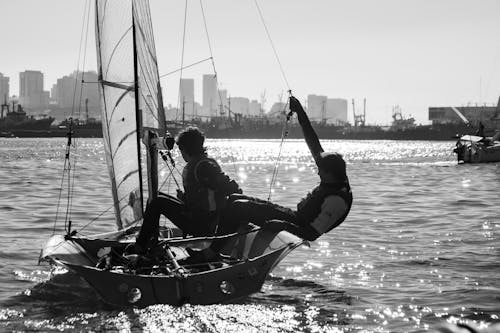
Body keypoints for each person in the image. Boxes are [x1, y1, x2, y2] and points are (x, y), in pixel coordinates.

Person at [191, 95, 353, 260]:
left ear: (330, 173)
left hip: (295, 225)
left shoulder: (336, 200)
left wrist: (281, 225)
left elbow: (311, 234)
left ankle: (210, 253)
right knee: (234, 198)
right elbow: (313, 141)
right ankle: (220, 246)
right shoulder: (334, 172)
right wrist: (300, 112)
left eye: (320, 170)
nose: (317, 172)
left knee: (239, 207)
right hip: (291, 215)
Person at [133, 126, 242, 253]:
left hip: (202, 224)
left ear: (185, 149)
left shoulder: (204, 166)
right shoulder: (200, 163)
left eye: (181, 150)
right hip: (196, 216)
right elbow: (205, 196)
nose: (181, 153)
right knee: (154, 196)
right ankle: (149, 239)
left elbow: (232, 189)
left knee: (157, 203)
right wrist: (184, 198)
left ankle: (140, 246)